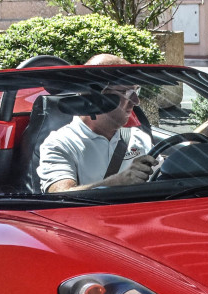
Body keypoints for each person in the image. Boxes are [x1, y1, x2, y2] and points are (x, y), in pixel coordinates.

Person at [36, 54, 157, 192]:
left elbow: (164, 179)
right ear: (97, 97)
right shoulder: (60, 143)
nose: (136, 101)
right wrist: (119, 181)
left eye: (136, 90)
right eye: (127, 92)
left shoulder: (139, 137)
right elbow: (59, 195)